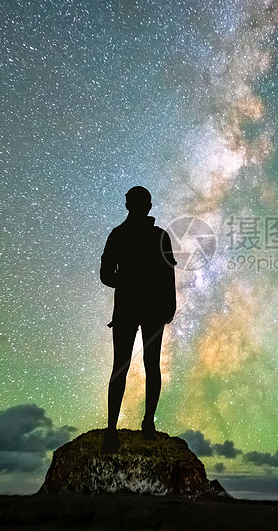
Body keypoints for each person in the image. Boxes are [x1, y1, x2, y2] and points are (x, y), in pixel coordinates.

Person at [99, 186, 177, 453]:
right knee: (125, 366)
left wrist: (170, 305)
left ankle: (145, 424)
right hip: (131, 309)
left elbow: (168, 273)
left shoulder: (153, 236)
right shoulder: (121, 235)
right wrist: (133, 281)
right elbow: (106, 275)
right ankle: (113, 430)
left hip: (147, 309)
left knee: (147, 365)